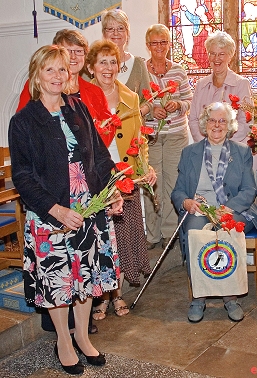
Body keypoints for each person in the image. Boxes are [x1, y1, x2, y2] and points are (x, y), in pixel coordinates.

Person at [9, 45, 123, 375]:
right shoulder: (24, 121)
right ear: (37, 76)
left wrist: (112, 190)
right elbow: (23, 176)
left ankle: (83, 337)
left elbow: (99, 156)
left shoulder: (77, 108)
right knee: (60, 281)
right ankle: (63, 340)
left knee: (86, 277)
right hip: (52, 214)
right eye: (50, 70)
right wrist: (56, 210)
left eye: (62, 70)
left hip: (89, 207)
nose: (58, 76)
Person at [171, 102, 257, 323]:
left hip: (233, 208)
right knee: (196, 231)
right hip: (200, 208)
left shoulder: (242, 152)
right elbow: (178, 191)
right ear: (205, 124)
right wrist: (186, 203)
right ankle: (199, 297)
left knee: (227, 227)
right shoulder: (190, 152)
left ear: (230, 125)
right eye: (212, 120)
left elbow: (249, 190)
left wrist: (229, 208)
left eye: (222, 120)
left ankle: (230, 297)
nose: (217, 125)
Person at [86, 39, 156, 320]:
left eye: (113, 62)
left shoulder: (131, 97)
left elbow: (140, 140)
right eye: (102, 62)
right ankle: (101, 297)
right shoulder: (82, 98)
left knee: (123, 238)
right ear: (91, 67)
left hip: (125, 175)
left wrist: (146, 168)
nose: (108, 67)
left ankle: (118, 294)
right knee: (103, 239)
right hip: (96, 176)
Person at [144, 24, 193, 250]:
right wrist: (152, 110)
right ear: (148, 45)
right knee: (152, 184)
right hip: (151, 137)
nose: (159, 47)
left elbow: (189, 101)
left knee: (173, 185)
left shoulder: (179, 71)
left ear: (169, 45)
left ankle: (170, 235)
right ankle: (152, 236)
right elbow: (136, 103)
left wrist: (178, 104)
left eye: (163, 42)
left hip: (175, 136)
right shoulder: (141, 70)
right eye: (155, 43)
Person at [188, 31, 257, 169]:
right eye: (212, 53)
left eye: (221, 54)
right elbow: (193, 120)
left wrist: (221, 147)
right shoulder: (201, 85)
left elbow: (246, 122)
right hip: (206, 153)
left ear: (230, 56)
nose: (216, 58)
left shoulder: (241, 84)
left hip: (237, 153)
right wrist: (208, 146)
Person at [101, 9, 151, 117]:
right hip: (102, 129)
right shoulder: (94, 63)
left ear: (127, 33)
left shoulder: (138, 64)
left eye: (120, 28)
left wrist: (133, 116)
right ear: (104, 33)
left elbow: (148, 101)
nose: (116, 33)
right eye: (110, 29)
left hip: (132, 130)